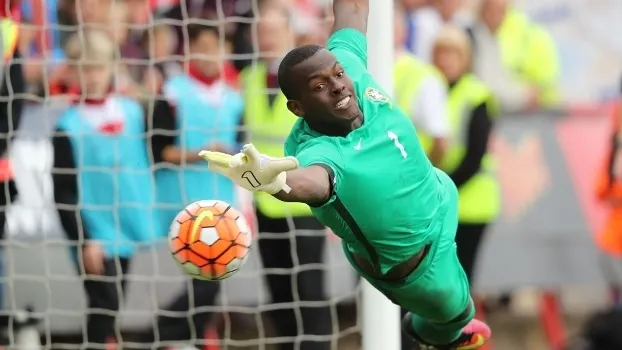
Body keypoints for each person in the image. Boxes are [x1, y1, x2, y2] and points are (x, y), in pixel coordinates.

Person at [200, 0, 491, 348]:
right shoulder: (318, 151)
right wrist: (274, 181)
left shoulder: (349, 69)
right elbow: (310, 181)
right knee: (457, 318)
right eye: (319, 86)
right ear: (298, 108)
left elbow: (352, 10)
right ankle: (430, 333)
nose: (338, 85)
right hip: (419, 267)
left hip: (441, 196)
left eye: (337, 74)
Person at [51, 30, 157, 350]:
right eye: (83, 67)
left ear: (112, 67)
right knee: (104, 303)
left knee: (113, 302)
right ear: (71, 72)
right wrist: (86, 239)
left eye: (97, 67)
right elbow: (63, 192)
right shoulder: (67, 125)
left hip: (127, 224)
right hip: (94, 231)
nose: (92, 75)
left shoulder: (133, 111)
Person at [238, 4, 332, 350]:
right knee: (278, 292)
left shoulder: (306, 79)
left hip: (304, 201)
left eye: (273, 31)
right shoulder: (247, 79)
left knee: (308, 290)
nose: (266, 38)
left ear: (291, 35)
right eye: (261, 31)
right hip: (267, 201)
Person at [148, 22, 241, 347]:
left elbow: (241, 149)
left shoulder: (234, 99)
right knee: (207, 277)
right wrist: (201, 154)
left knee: (211, 278)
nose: (208, 54)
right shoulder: (173, 92)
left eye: (215, 47)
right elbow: (159, 150)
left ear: (226, 52)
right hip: (181, 200)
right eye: (201, 46)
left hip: (221, 202)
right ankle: (159, 334)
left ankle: (188, 336)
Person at [394, 0, 449, 167]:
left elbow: (439, 141)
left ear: (403, 31)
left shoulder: (424, 76)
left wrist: (420, 177)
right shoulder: (354, 69)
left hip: (408, 175)